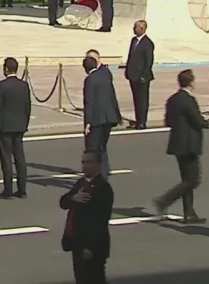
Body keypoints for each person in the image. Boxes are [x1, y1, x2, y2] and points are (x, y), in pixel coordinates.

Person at [153, 69, 209, 223]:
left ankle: (189, 212)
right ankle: (164, 200)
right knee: (193, 180)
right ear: (191, 82)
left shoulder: (173, 99)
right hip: (189, 143)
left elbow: (168, 121)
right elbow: (197, 121)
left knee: (186, 179)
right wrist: (207, 121)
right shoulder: (189, 100)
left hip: (177, 142)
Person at [60, 150, 114, 284]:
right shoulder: (80, 183)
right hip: (77, 243)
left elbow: (100, 221)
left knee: (94, 278)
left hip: (92, 246)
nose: (85, 166)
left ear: (99, 164)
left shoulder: (103, 188)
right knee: (81, 278)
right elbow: (63, 202)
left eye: (89, 162)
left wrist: (90, 247)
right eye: (83, 162)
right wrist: (73, 198)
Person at [0, 57, 31, 198]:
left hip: (5, 126)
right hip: (19, 125)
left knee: (6, 159)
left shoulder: (2, 85)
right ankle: (22, 189)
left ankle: (8, 189)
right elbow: (27, 106)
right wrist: (25, 123)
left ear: (6, 69)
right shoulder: (24, 85)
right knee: (20, 158)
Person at [81, 51, 121, 176]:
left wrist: (87, 122)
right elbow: (112, 96)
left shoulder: (90, 80)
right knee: (102, 147)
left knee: (92, 149)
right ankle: (103, 174)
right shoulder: (105, 75)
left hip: (97, 118)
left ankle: (94, 175)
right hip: (109, 116)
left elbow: (89, 102)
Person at [125, 21, 155, 129]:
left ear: (142, 29)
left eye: (136, 27)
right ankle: (138, 120)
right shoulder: (134, 41)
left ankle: (142, 121)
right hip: (133, 75)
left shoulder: (147, 43)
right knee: (136, 99)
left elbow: (149, 61)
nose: (134, 29)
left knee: (142, 100)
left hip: (142, 77)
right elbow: (130, 56)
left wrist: (144, 75)